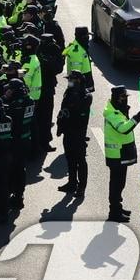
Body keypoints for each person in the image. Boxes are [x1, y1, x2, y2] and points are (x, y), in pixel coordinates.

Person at [104, 86, 140, 222]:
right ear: (116, 98)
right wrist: (137, 118)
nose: (125, 100)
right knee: (116, 184)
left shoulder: (118, 109)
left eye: (126, 97)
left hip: (122, 154)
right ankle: (114, 212)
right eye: (123, 97)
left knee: (120, 183)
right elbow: (123, 129)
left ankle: (118, 207)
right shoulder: (112, 113)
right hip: (116, 155)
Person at [55, 71, 91, 199]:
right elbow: (64, 109)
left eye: (71, 80)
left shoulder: (86, 95)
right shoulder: (69, 92)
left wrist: (75, 93)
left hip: (79, 132)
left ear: (78, 81)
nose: (69, 82)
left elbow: (79, 108)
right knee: (70, 159)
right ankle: (72, 183)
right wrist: (60, 125)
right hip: (68, 131)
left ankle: (81, 188)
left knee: (80, 161)